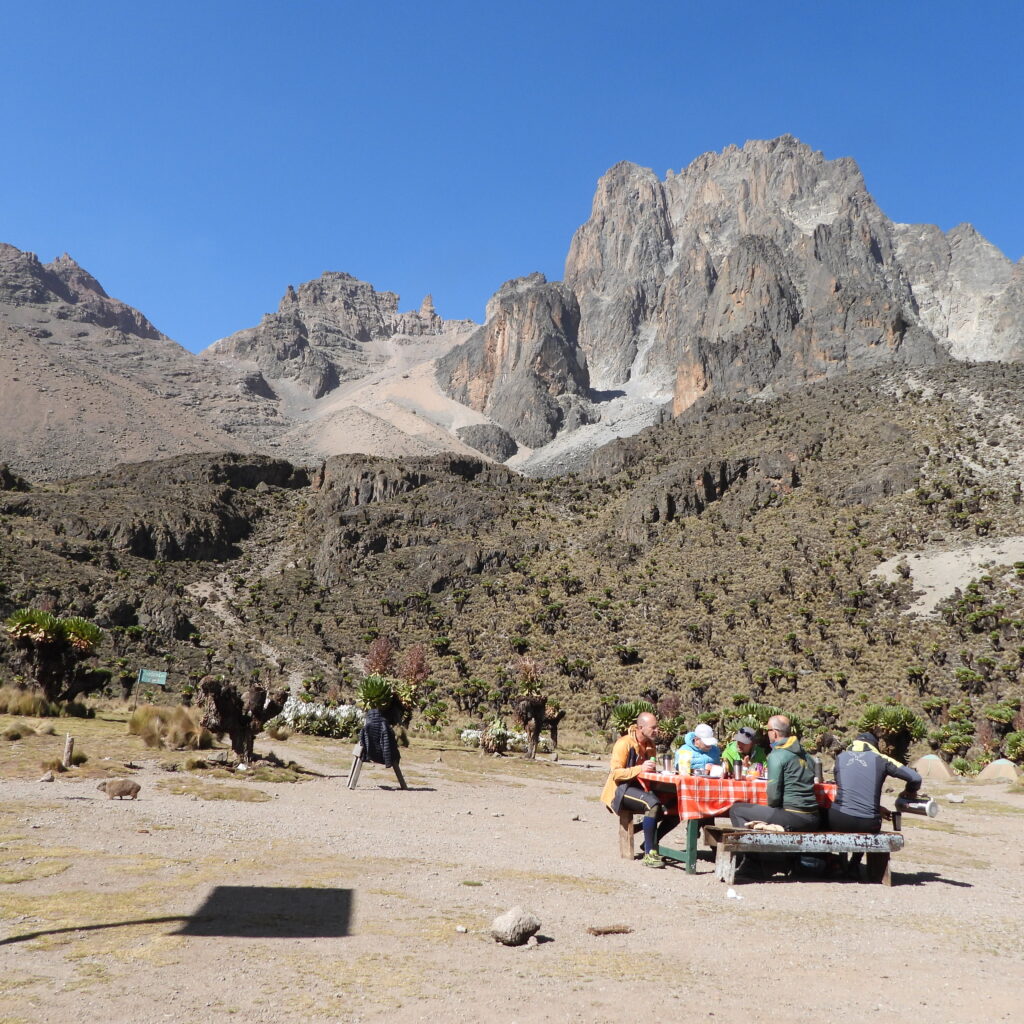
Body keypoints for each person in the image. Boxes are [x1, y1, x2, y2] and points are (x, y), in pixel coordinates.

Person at [601, 711, 680, 867]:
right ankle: (649, 855)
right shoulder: (624, 743)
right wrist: (640, 768)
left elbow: (648, 772)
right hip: (621, 790)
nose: (657, 731)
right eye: (654, 727)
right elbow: (616, 773)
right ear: (641, 727)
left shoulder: (650, 745)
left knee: (676, 806)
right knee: (653, 804)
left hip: (641, 788)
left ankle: (649, 842)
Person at [729, 715, 820, 830]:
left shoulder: (777, 755)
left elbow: (773, 797)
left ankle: (749, 847)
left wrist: (770, 811)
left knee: (736, 810)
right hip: (814, 816)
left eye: (768, 730)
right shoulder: (806, 755)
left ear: (774, 733)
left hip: (792, 815)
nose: (767, 734)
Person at [828, 732, 922, 833]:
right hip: (868, 823)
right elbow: (915, 778)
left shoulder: (840, 758)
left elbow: (849, 792)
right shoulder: (881, 759)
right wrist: (909, 791)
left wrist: (877, 808)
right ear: (874, 746)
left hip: (839, 820)